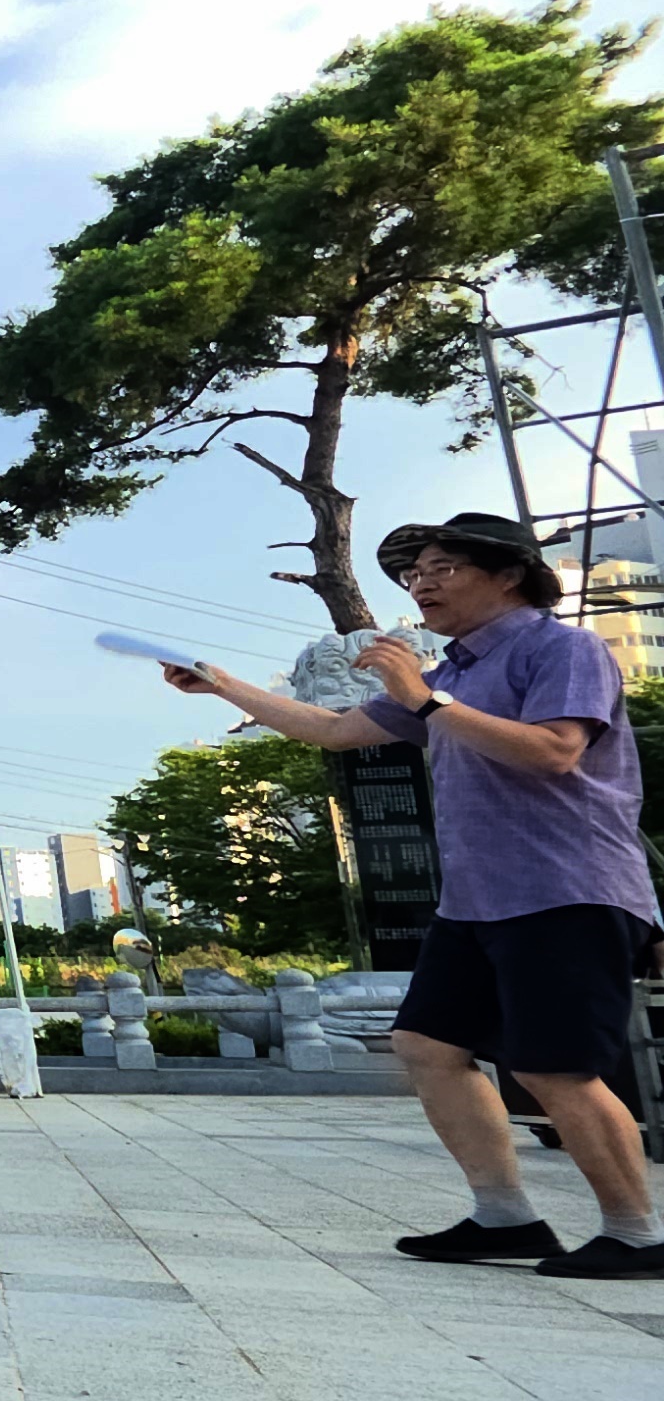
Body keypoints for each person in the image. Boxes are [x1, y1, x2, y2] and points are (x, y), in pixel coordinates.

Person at [156, 511, 662, 1279]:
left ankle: (636, 1235)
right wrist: (225, 685)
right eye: (413, 573)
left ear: (510, 575)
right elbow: (334, 730)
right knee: (426, 1045)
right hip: (476, 901)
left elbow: (557, 751)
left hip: (567, 891)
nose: (421, 584)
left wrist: (425, 701)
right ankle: (505, 1218)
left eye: (442, 568)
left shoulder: (562, 648)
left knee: (554, 1067)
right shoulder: (450, 673)